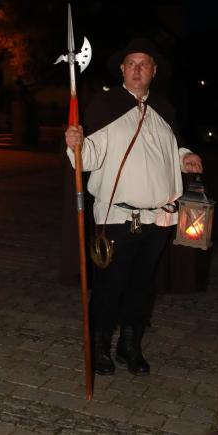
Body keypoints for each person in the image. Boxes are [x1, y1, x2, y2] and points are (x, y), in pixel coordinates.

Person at [64, 37, 203, 376]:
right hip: (116, 217)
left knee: (141, 286)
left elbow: (175, 147)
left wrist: (186, 157)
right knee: (111, 285)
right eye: (132, 63)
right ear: (123, 69)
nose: (138, 69)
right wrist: (75, 144)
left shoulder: (164, 109)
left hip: (158, 219)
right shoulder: (104, 105)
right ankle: (98, 348)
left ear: (154, 71)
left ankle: (130, 346)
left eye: (145, 64)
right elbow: (88, 159)